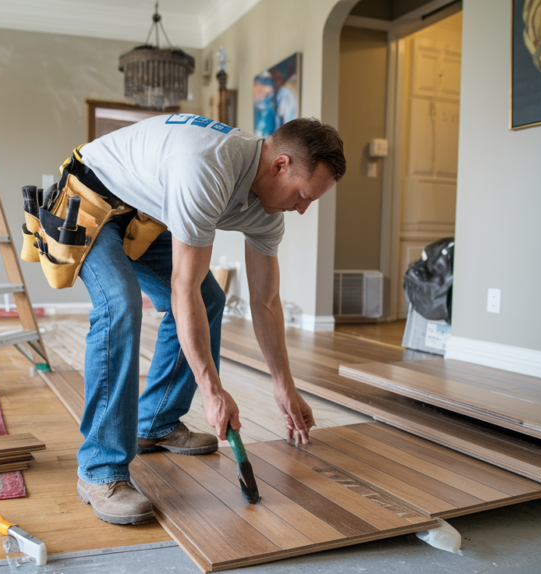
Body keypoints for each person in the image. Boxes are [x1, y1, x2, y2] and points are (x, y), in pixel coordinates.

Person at [71, 114, 345, 525]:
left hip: (143, 214)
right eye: (303, 195)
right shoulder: (206, 167)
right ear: (281, 165)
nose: (302, 209)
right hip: (91, 196)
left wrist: (284, 387)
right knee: (120, 304)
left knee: (209, 298)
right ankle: (99, 470)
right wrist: (213, 391)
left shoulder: (268, 212)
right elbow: (183, 287)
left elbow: (266, 301)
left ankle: (156, 422)